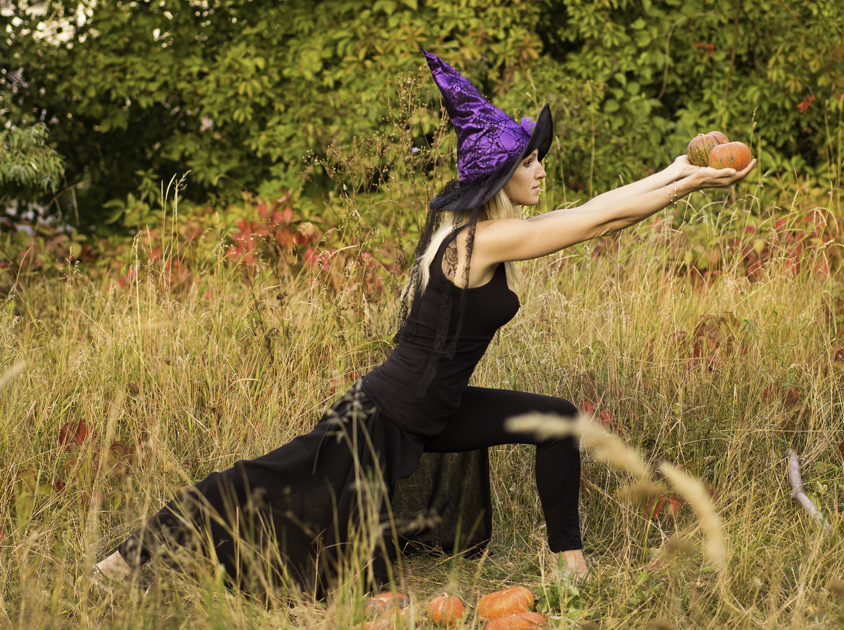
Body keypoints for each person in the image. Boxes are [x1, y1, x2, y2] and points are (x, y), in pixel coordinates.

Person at [94, 50, 754, 595]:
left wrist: (678, 168)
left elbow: (593, 209)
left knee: (559, 420)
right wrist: (691, 184)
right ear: (499, 173)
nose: (540, 169)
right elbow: (592, 223)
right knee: (253, 485)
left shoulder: (486, 230)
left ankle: (569, 568)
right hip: (384, 415)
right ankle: (123, 562)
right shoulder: (476, 242)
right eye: (528, 161)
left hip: (433, 409)